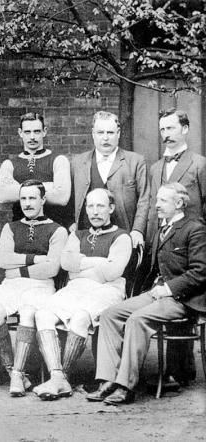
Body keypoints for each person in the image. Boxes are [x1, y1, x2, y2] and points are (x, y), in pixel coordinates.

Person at [88, 183, 206, 405]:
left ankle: (126, 386)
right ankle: (108, 380)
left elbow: (200, 272)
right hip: (157, 293)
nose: (157, 205)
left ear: (179, 203)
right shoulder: (162, 228)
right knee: (110, 314)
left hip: (183, 299)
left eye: (163, 200)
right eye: (157, 200)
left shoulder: (195, 229)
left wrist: (168, 289)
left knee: (137, 319)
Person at [32, 188, 132, 401]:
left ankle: (62, 377)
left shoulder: (121, 236)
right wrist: (100, 263)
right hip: (76, 288)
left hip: (108, 290)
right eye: (91, 206)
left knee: (80, 317)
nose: (95, 211)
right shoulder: (78, 235)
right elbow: (67, 263)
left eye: (100, 206)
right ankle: (57, 377)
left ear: (111, 208)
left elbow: (113, 272)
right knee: (43, 314)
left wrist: (81, 265)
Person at [0, 179, 68, 397]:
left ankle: (17, 375)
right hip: (11, 284)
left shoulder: (57, 230)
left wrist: (18, 270)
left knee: (29, 312)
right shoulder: (10, 227)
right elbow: (3, 260)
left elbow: (51, 268)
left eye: (32, 198)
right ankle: (13, 370)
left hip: (41, 285)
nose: (27, 203)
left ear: (43, 199)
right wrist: (36, 259)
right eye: (23, 198)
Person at [146, 108, 206, 385]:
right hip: (164, 241)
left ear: (185, 129)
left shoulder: (199, 164)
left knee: (183, 296)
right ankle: (174, 370)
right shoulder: (156, 167)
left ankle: (179, 370)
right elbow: (153, 206)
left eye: (171, 128)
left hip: (192, 243)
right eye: (162, 129)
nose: (166, 134)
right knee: (165, 297)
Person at [71, 111, 148, 249]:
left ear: (118, 133)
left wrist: (138, 230)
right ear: (93, 134)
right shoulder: (78, 162)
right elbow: (70, 198)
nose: (105, 138)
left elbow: (144, 199)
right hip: (86, 237)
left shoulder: (135, 161)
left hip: (125, 237)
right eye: (100, 132)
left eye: (110, 133)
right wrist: (71, 223)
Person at [0, 112, 71, 227]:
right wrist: (49, 186)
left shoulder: (59, 160)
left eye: (36, 131)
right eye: (27, 132)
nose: (32, 137)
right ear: (20, 133)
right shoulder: (9, 164)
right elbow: (2, 196)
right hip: (20, 227)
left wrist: (18, 189)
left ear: (44, 131)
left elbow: (62, 197)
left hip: (53, 227)